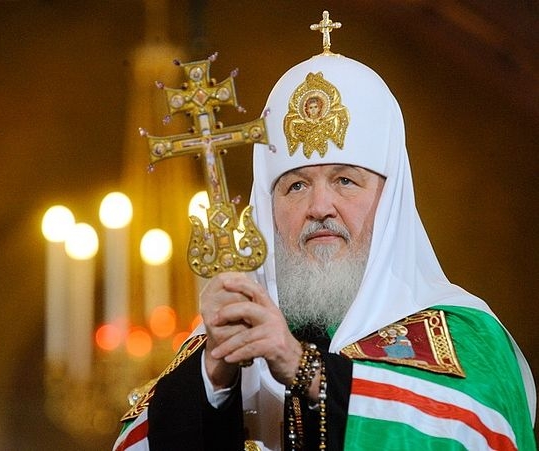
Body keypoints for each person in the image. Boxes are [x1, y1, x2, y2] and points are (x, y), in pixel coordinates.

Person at [113, 15, 536, 451]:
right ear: (267, 209)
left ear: (389, 202)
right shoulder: (220, 342)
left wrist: (302, 369)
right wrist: (212, 379)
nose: (319, 207)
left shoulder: (466, 335)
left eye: (345, 180)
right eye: (295, 186)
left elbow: (469, 428)